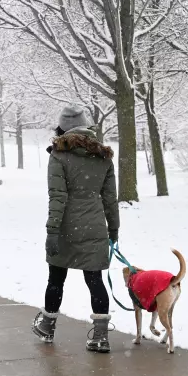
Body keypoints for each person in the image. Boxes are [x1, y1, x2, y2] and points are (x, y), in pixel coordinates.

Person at [32, 105, 119, 353]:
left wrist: (52, 232)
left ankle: (48, 326)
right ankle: (100, 336)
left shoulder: (58, 155)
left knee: (56, 279)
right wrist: (114, 230)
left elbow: (57, 197)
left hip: (66, 227)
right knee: (95, 280)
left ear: (62, 128)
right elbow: (110, 199)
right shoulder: (103, 156)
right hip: (93, 226)